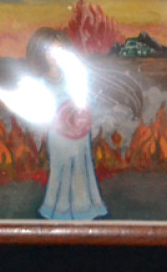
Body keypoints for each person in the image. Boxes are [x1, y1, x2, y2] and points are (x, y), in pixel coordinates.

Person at [25, 28, 107, 220]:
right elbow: (39, 112)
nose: (54, 56)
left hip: (79, 131)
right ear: (40, 53)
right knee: (60, 169)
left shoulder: (73, 77)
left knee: (82, 167)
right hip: (58, 133)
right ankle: (57, 209)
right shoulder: (40, 82)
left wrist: (83, 118)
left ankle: (84, 208)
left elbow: (85, 101)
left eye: (59, 50)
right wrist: (56, 123)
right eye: (49, 51)